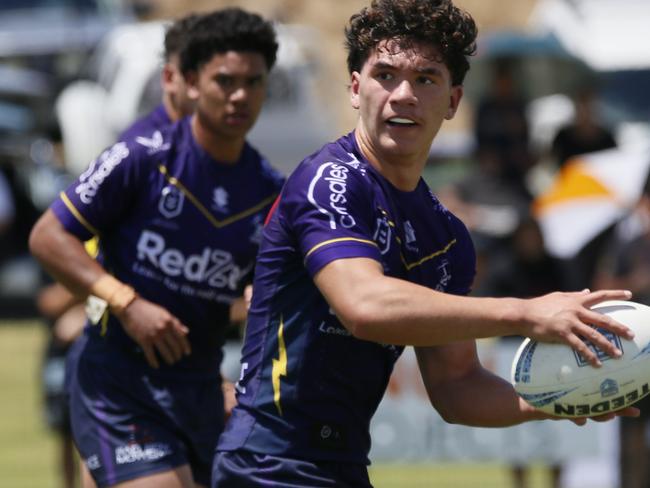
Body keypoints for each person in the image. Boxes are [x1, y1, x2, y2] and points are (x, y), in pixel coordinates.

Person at [212, 1, 638, 486]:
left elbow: (457, 386)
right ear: (355, 88)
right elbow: (364, 305)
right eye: (385, 75)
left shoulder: (446, 238)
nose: (403, 95)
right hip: (268, 463)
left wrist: (558, 400)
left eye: (426, 79)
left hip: (343, 465)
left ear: (454, 102)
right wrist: (527, 312)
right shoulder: (328, 180)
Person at [29, 7, 285, 488]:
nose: (240, 96)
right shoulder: (142, 155)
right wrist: (125, 302)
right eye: (225, 80)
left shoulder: (270, 192)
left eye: (253, 82)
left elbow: (267, 298)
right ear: (189, 82)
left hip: (201, 388)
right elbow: (47, 236)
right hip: (117, 379)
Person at [592, 174, 650, 488]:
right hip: (635, 357)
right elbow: (602, 290)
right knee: (631, 434)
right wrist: (637, 282)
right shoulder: (626, 244)